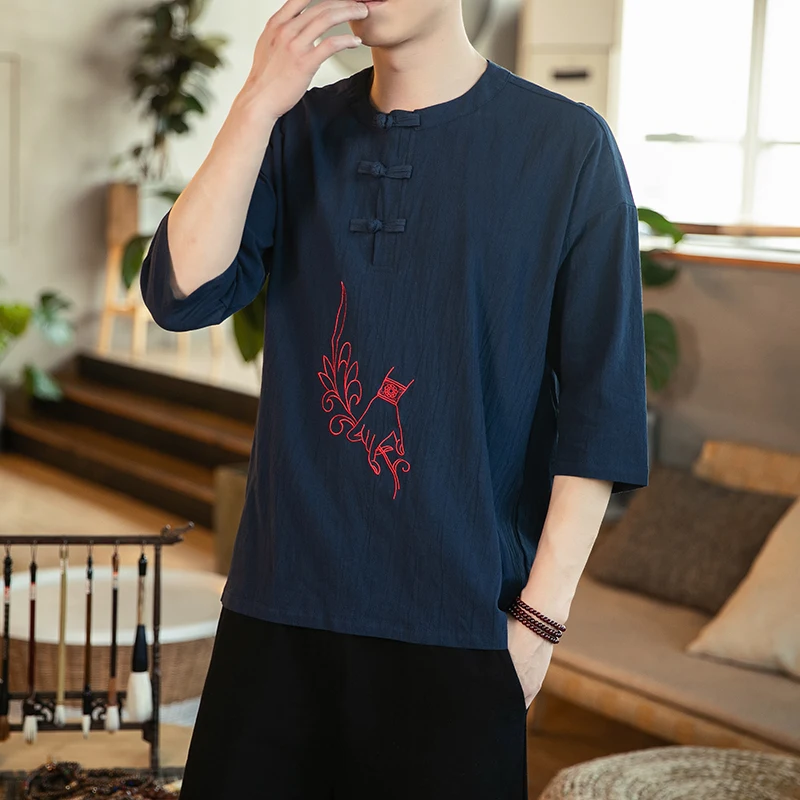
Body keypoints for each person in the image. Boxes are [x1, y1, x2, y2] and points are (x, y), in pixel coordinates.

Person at [140, 0, 649, 796]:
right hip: (277, 610)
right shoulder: (296, 130)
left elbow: (601, 408)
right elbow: (181, 293)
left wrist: (538, 624)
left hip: (461, 625)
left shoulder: (568, 147)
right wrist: (256, 103)